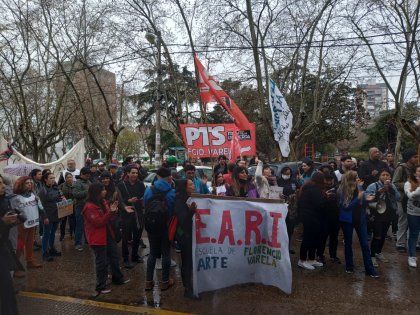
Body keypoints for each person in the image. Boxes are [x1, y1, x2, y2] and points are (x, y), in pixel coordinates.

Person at [82, 183, 130, 295]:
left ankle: (118, 278)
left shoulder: (103, 201)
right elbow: (98, 222)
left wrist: (113, 211)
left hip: (108, 234)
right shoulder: (89, 207)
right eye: (102, 190)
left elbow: (109, 217)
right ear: (96, 192)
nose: (104, 191)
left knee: (114, 256)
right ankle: (100, 286)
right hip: (97, 238)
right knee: (102, 263)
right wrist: (110, 213)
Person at [337, 171, 378, 277]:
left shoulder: (360, 188)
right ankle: (349, 266)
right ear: (351, 179)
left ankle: (370, 269)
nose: (358, 179)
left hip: (360, 220)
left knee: (365, 244)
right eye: (356, 177)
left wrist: (367, 200)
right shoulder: (342, 190)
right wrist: (358, 198)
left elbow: (362, 204)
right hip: (347, 221)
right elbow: (345, 207)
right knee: (348, 244)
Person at [144, 167, 176, 291]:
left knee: (152, 253)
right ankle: (165, 281)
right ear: (169, 177)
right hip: (166, 227)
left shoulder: (148, 190)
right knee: (166, 253)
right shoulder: (172, 192)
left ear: (157, 176)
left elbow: (145, 206)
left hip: (151, 225)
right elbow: (173, 210)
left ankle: (148, 282)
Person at [365, 169, 400, 267]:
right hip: (377, 214)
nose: (385, 177)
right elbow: (367, 197)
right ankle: (372, 256)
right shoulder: (373, 186)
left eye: (387, 175)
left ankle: (378, 252)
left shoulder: (392, 186)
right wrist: (378, 192)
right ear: (379, 176)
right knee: (377, 235)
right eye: (383, 175)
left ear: (390, 177)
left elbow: (398, 197)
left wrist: (390, 189)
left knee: (383, 234)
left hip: (388, 213)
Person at [11, 176, 45, 272]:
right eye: (27, 183)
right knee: (19, 246)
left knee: (30, 244)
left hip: (33, 222)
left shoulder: (33, 195)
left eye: (31, 183)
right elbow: (15, 211)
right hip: (22, 225)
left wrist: (44, 215)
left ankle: (29, 261)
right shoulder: (16, 197)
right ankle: (15, 267)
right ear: (21, 184)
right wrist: (20, 223)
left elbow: (39, 207)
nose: (30, 184)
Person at [117, 165, 146, 268]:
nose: (134, 175)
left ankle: (135, 255)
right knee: (125, 237)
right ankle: (125, 258)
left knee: (137, 235)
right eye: (132, 173)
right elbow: (119, 200)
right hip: (126, 213)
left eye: (136, 173)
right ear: (128, 173)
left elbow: (143, 195)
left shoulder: (141, 184)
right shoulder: (121, 185)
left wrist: (139, 199)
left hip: (138, 214)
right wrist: (127, 201)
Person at [174, 179, 199, 299]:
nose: (193, 186)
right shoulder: (179, 201)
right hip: (184, 236)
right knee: (187, 261)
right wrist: (191, 212)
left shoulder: (189, 198)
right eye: (190, 184)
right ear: (184, 187)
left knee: (190, 260)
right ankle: (187, 289)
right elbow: (183, 221)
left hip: (190, 234)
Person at [297, 172, 326, 270]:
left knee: (313, 238)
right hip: (310, 216)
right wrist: (326, 198)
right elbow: (319, 204)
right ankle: (302, 260)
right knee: (308, 238)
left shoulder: (309, 187)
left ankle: (311, 258)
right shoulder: (314, 189)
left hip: (311, 216)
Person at [0, 175, 20, 315]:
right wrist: (3, 222)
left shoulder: (3, 201)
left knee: (7, 291)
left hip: (3, 249)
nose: (3, 186)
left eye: (2, 183)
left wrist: (13, 220)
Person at [393, 148, 419, 252]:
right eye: (414, 157)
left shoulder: (415, 168)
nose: (416, 159)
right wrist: (409, 185)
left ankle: (415, 243)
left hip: (414, 199)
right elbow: (394, 183)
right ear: (409, 158)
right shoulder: (401, 168)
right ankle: (400, 244)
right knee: (403, 221)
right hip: (403, 198)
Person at [38, 173, 64, 262]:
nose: (53, 179)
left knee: (53, 233)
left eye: (53, 178)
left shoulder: (56, 188)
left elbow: (59, 198)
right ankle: (45, 252)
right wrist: (44, 217)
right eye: (51, 178)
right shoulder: (42, 190)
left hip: (56, 214)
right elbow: (39, 205)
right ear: (45, 179)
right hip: (47, 216)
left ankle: (51, 249)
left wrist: (62, 199)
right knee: (46, 234)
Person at [277, 166, 299, 254]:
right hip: (280, 208)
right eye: (285, 173)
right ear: (282, 173)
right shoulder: (278, 181)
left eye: (288, 174)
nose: (287, 175)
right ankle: (280, 246)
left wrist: (296, 193)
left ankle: (288, 246)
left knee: (290, 228)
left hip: (291, 209)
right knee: (281, 228)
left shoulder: (293, 181)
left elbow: (299, 188)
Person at [72, 167, 92, 251]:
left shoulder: (88, 182)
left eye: (89, 176)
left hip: (88, 207)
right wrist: (87, 191)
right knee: (79, 226)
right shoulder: (77, 183)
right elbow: (76, 194)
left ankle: (87, 240)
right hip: (80, 207)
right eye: (87, 176)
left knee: (88, 225)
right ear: (82, 174)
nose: (88, 177)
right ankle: (78, 243)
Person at [405, 165, 420, 267]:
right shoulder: (408, 183)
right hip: (413, 213)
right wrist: (418, 190)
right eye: (419, 171)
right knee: (414, 234)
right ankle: (412, 256)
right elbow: (409, 195)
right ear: (415, 173)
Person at [59, 173, 75, 241]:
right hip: (63, 206)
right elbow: (58, 191)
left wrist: (72, 202)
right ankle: (62, 235)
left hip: (73, 205)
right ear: (65, 178)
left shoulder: (75, 185)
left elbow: (76, 194)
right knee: (63, 222)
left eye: (70, 177)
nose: (69, 179)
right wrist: (62, 196)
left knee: (72, 222)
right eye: (68, 177)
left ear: (72, 178)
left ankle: (72, 234)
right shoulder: (62, 185)